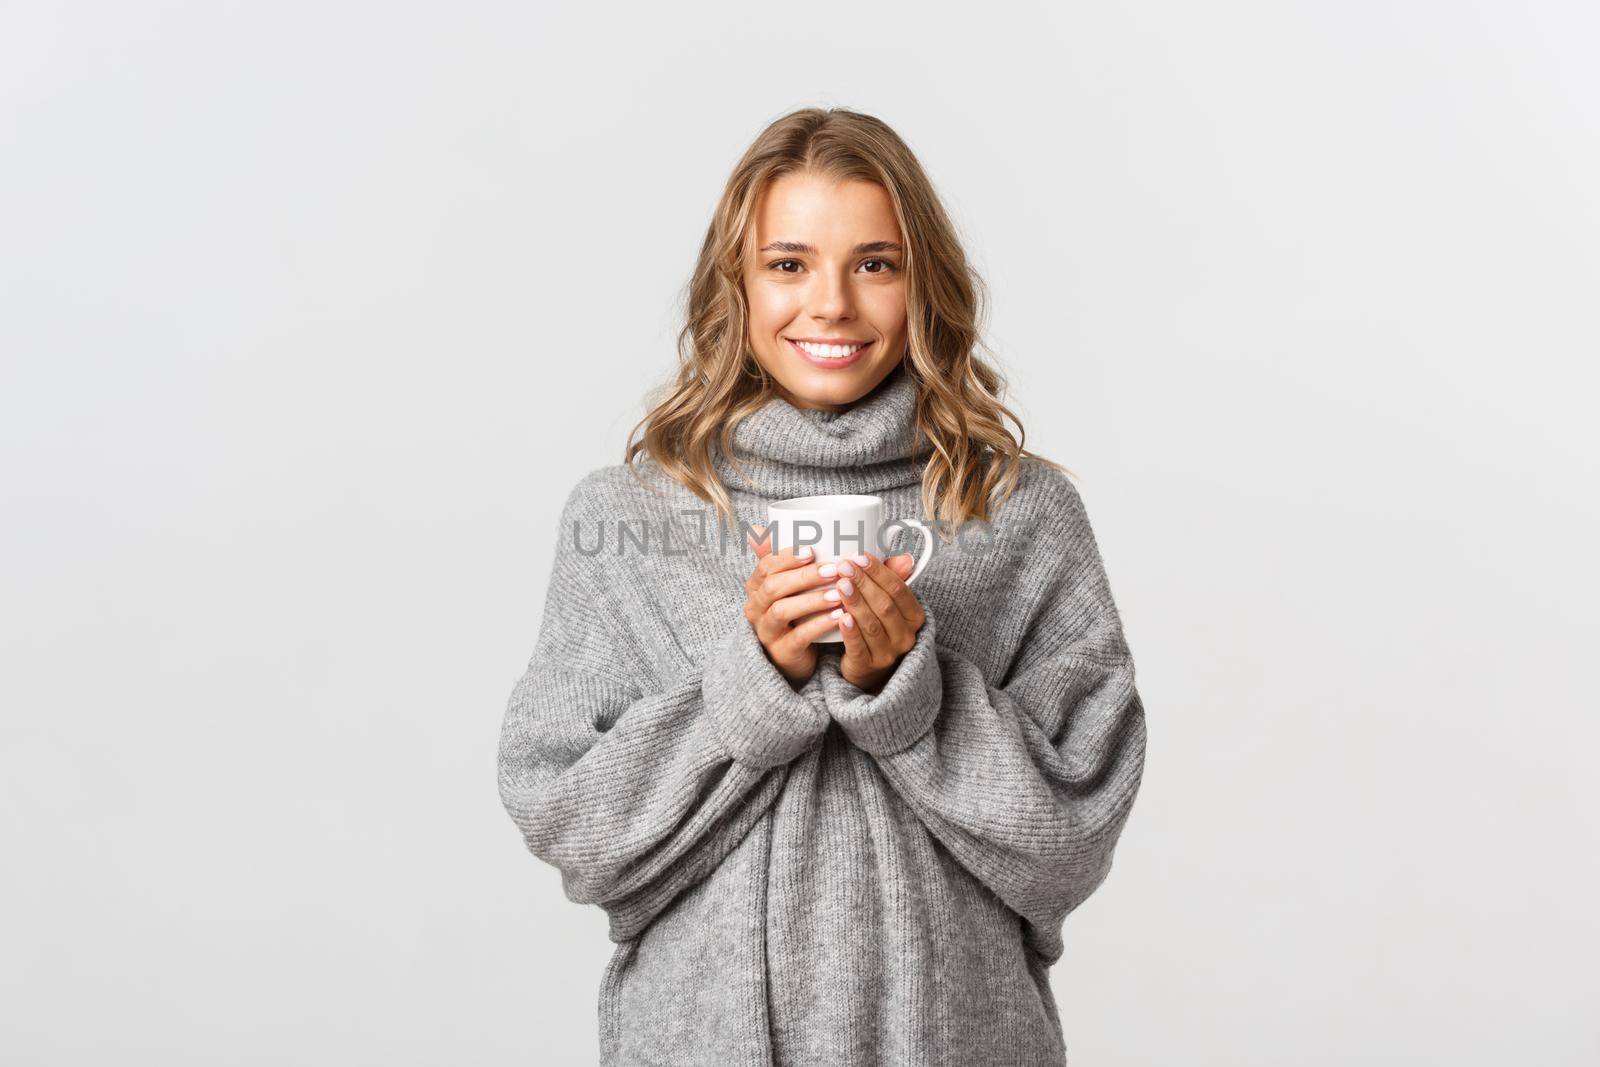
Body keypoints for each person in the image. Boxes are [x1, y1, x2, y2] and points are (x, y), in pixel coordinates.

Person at [496, 107, 1148, 1067]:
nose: (832, 304)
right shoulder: (633, 518)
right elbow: (571, 822)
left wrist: (913, 697)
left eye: (875, 263)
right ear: (739, 284)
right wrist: (752, 684)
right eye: (789, 263)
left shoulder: (1019, 511)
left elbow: (1076, 834)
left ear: (923, 281)